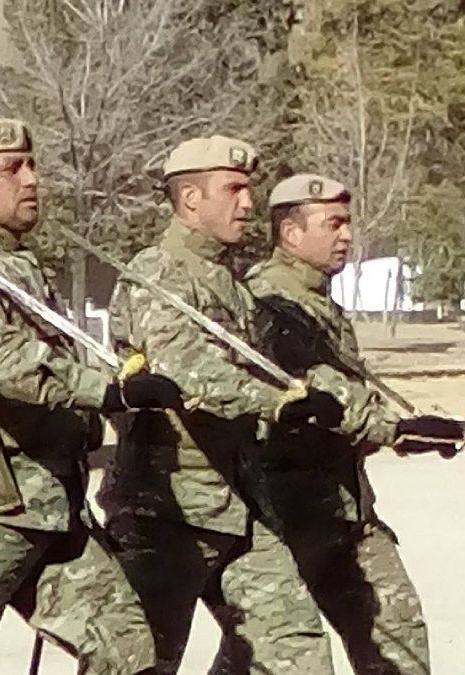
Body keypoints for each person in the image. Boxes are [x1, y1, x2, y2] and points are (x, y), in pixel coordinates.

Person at [0, 118, 181, 675]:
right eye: (11, 169)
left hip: (53, 510)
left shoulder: (18, 266)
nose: (31, 179)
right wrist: (106, 389)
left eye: (32, 165)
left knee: (130, 654)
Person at [99, 135, 341, 673]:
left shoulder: (228, 282)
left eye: (248, 190)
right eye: (233, 190)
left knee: (295, 651)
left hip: (239, 503)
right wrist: (278, 403)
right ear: (189, 200)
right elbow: (191, 371)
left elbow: (273, 365)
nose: (248, 205)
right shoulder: (157, 273)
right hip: (165, 509)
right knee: (144, 661)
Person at [248, 173, 464, 674]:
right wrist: (394, 428)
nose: (347, 235)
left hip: (347, 514)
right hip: (287, 516)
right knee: (262, 656)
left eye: (348, 223)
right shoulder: (268, 303)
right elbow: (315, 386)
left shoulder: (320, 301)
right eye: (334, 224)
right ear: (291, 233)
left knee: (398, 638)